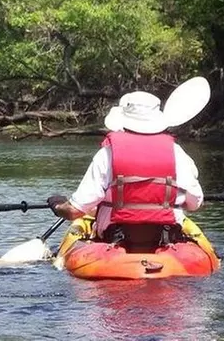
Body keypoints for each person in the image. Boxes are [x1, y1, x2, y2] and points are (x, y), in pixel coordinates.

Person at [47, 91, 204, 252]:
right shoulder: (176, 152)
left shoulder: (107, 154)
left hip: (117, 240)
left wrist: (57, 206)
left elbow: (74, 211)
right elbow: (195, 204)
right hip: (165, 239)